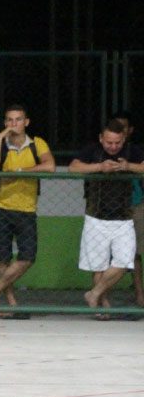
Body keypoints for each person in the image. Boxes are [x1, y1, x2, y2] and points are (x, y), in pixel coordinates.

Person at [0, 105, 55, 311]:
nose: (14, 124)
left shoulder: (37, 144)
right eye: (9, 120)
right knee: (3, 257)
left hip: (27, 208)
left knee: (27, 256)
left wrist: (22, 171)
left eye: (18, 119)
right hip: (2, 207)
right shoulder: (0, 145)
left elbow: (50, 166)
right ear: (5, 123)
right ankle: (10, 303)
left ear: (26, 122)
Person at [69, 119, 144, 313]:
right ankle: (102, 306)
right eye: (109, 142)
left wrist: (128, 166)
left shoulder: (132, 151)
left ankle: (94, 293)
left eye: (117, 143)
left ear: (124, 139)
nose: (113, 146)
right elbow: (74, 167)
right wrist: (99, 167)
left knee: (125, 260)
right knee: (99, 264)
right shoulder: (92, 151)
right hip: (96, 216)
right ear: (101, 138)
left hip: (124, 218)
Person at [111, 111, 144, 306]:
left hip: (135, 204)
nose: (119, 131)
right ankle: (102, 299)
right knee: (117, 255)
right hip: (110, 209)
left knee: (137, 252)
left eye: (122, 127)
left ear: (129, 131)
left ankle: (140, 295)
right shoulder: (101, 150)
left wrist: (127, 166)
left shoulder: (135, 151)